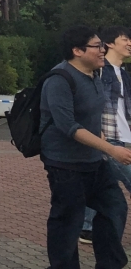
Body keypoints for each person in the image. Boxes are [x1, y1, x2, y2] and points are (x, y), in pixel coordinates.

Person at [40, 25, 131, 268]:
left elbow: (91, 117)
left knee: (114, 206)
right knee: (67, 221)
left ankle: (110, 263)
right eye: (97, 46)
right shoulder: (59, 79)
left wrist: (103, 145)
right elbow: (68, 126)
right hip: (65, 164)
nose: (102, 50)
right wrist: (111, 149)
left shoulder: (95, 75)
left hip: (94, 162)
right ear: (77, 50)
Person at [80, 26, 131, 244]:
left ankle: (87, 228)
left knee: (102, 182)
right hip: (106, 139)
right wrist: (98, 135)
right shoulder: (99, 72)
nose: (130, 43)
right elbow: (90, 105)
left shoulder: (124, 75)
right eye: (125, 39)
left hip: (122, 139)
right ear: (109, 43)